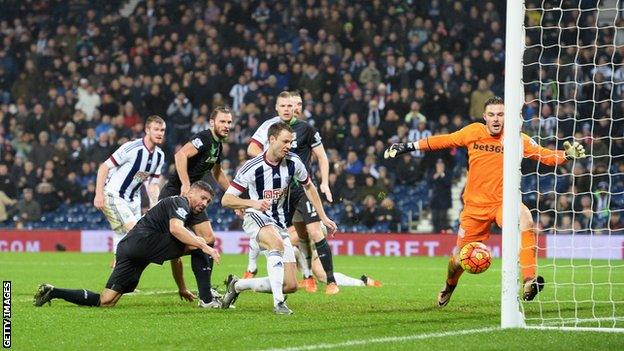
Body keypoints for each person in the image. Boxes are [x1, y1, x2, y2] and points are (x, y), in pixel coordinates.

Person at [384, 96, 587, 306]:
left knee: (525, 219)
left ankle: (529, 279)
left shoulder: (517, 138)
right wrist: (408, 146)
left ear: (506, 117)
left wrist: (566, 155)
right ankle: (449, 285)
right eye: (492, 114)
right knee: (457, 260)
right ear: (484, 117)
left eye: (500, 114)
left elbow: (543, 155)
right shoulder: (473, 132)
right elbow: (443, 140)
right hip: (474, 208)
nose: (496, 119)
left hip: (503, 203)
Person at [33, 181, 221, 308]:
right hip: (144, 243)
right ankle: (207, 299)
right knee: (201, 242)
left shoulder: (179, 211)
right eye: (203, 198)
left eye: (208, 201)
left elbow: (176, 256)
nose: (205, 204)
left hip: (128, 248)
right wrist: (205, 247)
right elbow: (176, 230)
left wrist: (181, 287)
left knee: (106, 301)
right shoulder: (180, 202)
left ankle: (54, 291)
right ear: (190, 192)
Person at [221, 122, 338, 314]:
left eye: (291, 142)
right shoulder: (251, 167)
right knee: (275, 244)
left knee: (290, 285)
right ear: (271, 140)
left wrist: (323, 217)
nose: (289, 146)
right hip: (255, 217)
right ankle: (278, 304)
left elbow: (309, 186)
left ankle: (237, 285)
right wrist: (252, 203)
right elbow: (226, 200)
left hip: (279, 223)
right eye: (285, 141)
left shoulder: (293, 162)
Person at [245, 91, 340, 295]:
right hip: (280, 192)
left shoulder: (306, 129)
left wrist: (324, 183)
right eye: (284, 106)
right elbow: (251, 150)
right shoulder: (270, 127)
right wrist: (271, 157)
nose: (288, 109)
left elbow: (322, 157)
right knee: (296, 235)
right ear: (277, 107)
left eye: (292, 105)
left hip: (302, 188)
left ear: (297, 107)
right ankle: (303, 277)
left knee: (314, 231)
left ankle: (331, 281)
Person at [158, 105, 233, 307]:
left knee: (207, 239)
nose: (226, 125)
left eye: (229, 122)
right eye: (222, 121)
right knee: (177, 246)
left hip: (193, 198)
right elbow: (181, 155)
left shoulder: (218, 146)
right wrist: (185, 183)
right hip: (175, 194)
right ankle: (195, 291)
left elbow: (217, 173)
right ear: (212, 123)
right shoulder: (205, 138)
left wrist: (233, 195)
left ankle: (205, 294)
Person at [93, 115, 166, 265]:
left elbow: (152, 184)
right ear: (147, 130)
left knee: (122, 236)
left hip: (134, 199)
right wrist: (98, 194)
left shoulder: (159, 156)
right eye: (156, 129)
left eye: (162, 130)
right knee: (136, 232)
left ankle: (117, 275)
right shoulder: (131, 148)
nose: (160, 133)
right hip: (114, 195)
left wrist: (154, 205)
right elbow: (104, 167)